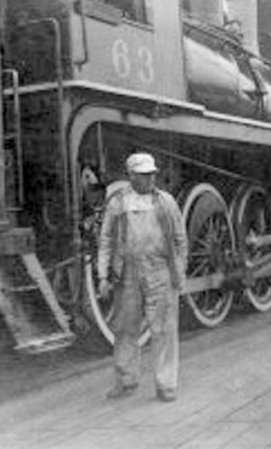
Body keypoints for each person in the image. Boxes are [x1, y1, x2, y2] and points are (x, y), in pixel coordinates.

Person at [97, 153, 187, 402]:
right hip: (127, 273)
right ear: (131, 176)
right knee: (125, 329)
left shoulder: (166, 202)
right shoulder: (118, 202)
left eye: (152, 174)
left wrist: (178, 273)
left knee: (164, 330)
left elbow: (180, 240)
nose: (150, 178)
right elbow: (105, 239)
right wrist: (102, 275)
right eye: (144, 174)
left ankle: (166, 384)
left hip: (159, 271)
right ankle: (126, 381)